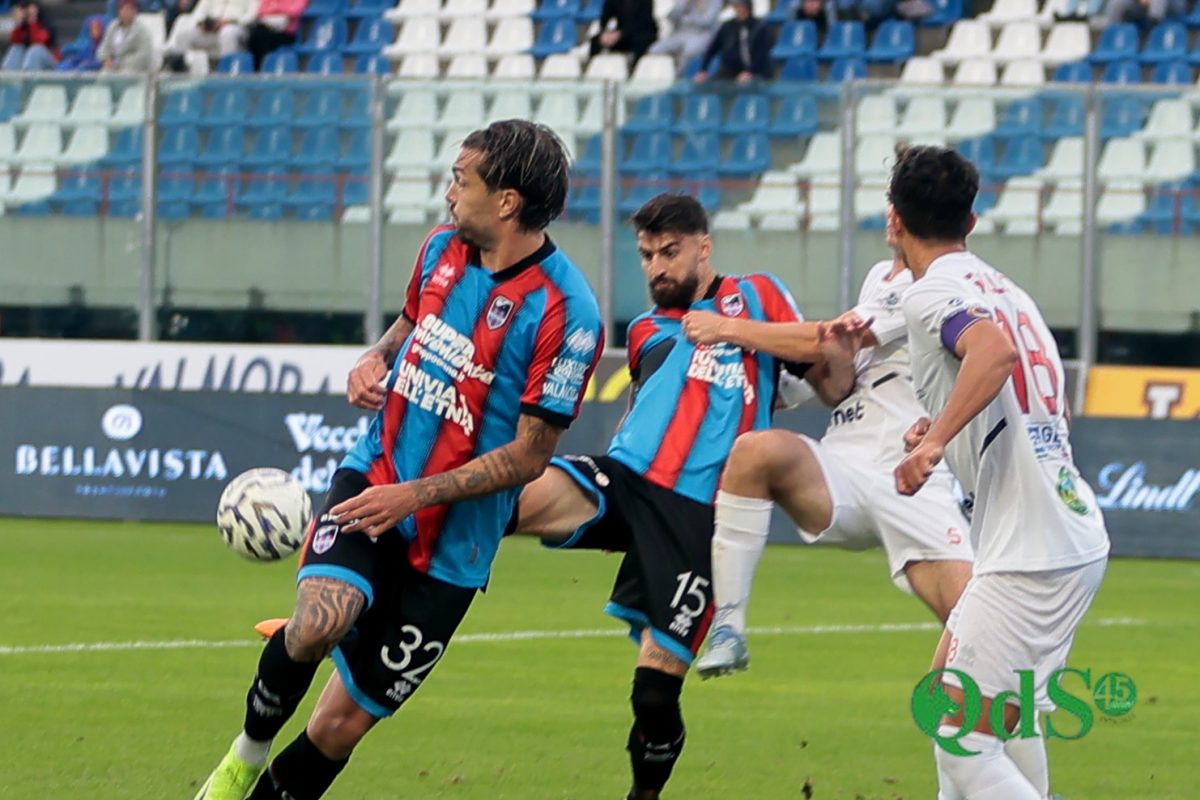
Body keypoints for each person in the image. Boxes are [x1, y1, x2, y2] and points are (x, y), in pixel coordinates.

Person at [192, 119, 605, 800]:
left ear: (506, 200)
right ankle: (243, 756)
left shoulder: (568, 311)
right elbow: (414, 321)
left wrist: (414, 498)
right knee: (321, 620)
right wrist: (376, 356)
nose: (448, 195)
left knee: (338, 728)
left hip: (453, 544)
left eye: (460, 179)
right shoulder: (441, 249)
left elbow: (533, 455)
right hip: (374, 474)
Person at [514, 193, 855, 800]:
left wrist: (726, 328)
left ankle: (644, 794)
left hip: (699, 517)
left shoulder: (756, 295)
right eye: (646, 255)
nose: (656, 268)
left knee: (653, 694)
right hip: (626, 480)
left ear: (704, 247)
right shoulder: (646, 329)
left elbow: (820, 351)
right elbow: (644, 402)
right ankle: (369, 598)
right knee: (504, 499)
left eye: (669, 252)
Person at [888, 144, 1109, 800]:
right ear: (972, 221)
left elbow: (992, 353)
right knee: (964, 702)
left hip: (1030, 548)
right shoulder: (1010, 290)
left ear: (894, 220)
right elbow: (1031, 401)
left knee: (960, 740)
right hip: (1065, 530)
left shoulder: (932, 292)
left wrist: (934, 446)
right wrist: (942, 431)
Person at [685, 237, 974, 681]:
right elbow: (840, 378)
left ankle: (1012, 732)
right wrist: (820, 372)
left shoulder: (940, 282)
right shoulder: (880, 276)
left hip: (912, 474)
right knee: (754, 451)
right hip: (842, 465)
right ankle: (728, 626)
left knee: (981, 629)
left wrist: (725, 327)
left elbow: (821, 338)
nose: (891, 215)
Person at [693, 0, 773, 85]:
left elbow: (762, 55)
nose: (740, 9)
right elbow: (712, 49)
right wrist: (703, 70)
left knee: (747, 84)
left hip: (756, 73)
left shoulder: (759, 28)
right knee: (707, 85)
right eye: (737, 6)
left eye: (742, 6)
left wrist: (750, 72)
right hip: (730, 71)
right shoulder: (727, 27)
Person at [164, 0, 254, 64]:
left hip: (235, 28)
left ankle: (225, 74)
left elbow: (251, 16)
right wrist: (202, 24)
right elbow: (199, 13)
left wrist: (229, 22)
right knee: (184, 35)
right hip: (211, 30)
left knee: (227, 33)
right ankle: (181, 74)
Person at [647, 0, 722, 73]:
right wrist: (684, 5)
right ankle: (663, 75)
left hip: (701, 34)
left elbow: (707, 21)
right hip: (679, 33)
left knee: (689, 51)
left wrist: (689, 18)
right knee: (654, 50)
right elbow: (671, 18)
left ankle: (680, 78)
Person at [590, 0, 659, 66]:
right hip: (622, 34)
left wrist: (621, 34)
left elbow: (644, 22)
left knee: (640, 41)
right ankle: (590, 66)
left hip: (643, 32)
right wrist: (606, 33)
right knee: (596, 40)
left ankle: (635, 69)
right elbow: (605, 18)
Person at [243, 0, 307, 69]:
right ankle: (255, 67)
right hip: (266, 26)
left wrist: (274, 10)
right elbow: (261, 10)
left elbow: (295, 11)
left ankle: (261, 66)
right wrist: (280, 11)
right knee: (255, 35)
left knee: (263, 36)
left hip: (287, 32)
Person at [100, 0, 156, 73]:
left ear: (134, 12)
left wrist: (121, 64)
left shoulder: (142, 30)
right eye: (123, 9)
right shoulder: (113, 26)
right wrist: (106, 59)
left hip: (133, 70)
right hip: (111, 69)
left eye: (129, 10)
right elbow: (104, 48)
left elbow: (145, 55)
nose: (125, 12)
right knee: (102, 78)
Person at [2, 2, 59, 72]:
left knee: (36, 49)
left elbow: (38, 41)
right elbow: (15, 41)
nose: (27, 11)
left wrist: (32, 19)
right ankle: (7, 79)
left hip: (51, 65)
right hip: (31, 65)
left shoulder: (46, 23)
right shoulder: (24, 25)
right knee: (16, 48)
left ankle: (28, 81)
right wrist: (18, 23)